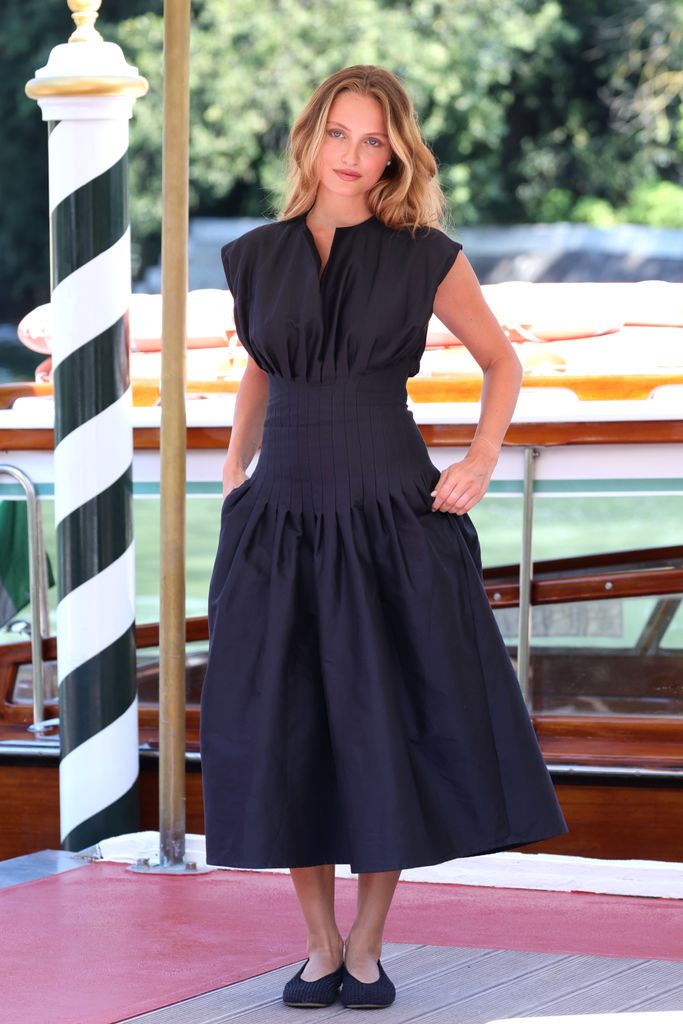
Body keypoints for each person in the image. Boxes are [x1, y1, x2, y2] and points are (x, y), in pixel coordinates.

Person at [200, 64, 569, 1010]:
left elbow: (500, 361)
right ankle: (317, 945)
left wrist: (480, 461)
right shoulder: (255, 255)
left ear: (396, 150)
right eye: (339, 134)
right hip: (279, 523)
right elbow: (259, 369)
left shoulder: (424, 255)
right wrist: (234, 475)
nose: (354, 157)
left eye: (373, 139)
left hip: (388, 518)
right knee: (293, 733)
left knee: (381, 732)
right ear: (310, 139)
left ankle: (366, 947)